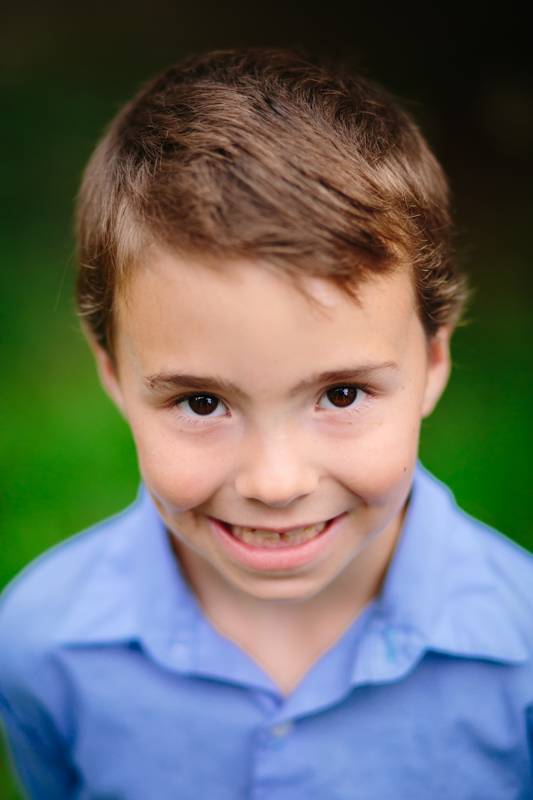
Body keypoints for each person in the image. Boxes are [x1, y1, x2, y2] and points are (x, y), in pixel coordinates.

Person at [1, 48, 532, 800]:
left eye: (341, 394)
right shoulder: (40, 646)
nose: (275, 484)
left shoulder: (519, 654)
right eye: (201, 402)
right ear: (112, 373)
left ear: (435, 360)